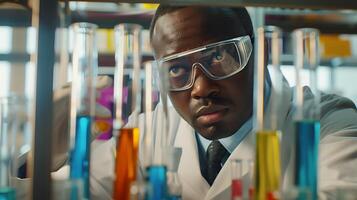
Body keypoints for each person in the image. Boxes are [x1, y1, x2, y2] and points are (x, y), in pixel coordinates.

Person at [88, 5, 357, 200]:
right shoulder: (148, 131)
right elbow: (73, 187)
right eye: (176, 69)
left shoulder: (330, 122)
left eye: (219, 57)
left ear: (259, 54)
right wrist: (47, 147)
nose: (201, 89)